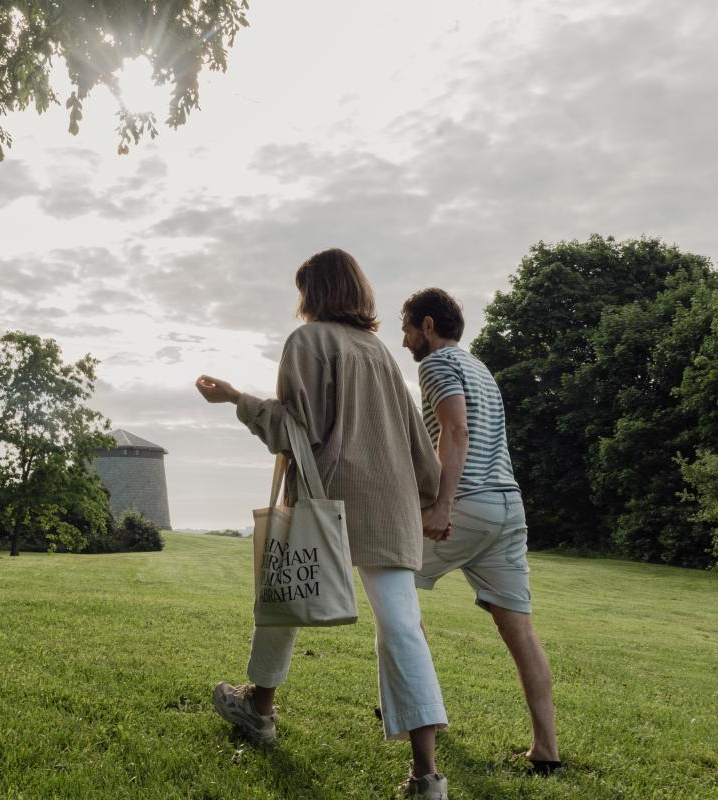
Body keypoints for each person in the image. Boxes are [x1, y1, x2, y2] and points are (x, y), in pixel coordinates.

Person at [195, 248, 452, 798]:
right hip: (392, 505)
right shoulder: (380, 353)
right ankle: (427, 775)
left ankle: (259, 709)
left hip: (326, 497)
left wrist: (236, 400)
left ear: (314, 292)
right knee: (403, 630)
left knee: (285, 590)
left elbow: (294, 430)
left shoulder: (306, 342)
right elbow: (416, 441)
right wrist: (431, 498)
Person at [399, 287, 561, 775]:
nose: (404, 341)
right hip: (508, 508)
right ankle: (546, 751)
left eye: (407, 329)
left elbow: (456, 431)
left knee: (394, 589)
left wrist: (443, 504)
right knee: (521, 631)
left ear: (428, 325)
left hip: (465, 506)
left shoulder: (436, 364)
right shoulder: (481, 369)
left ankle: (422, 710)